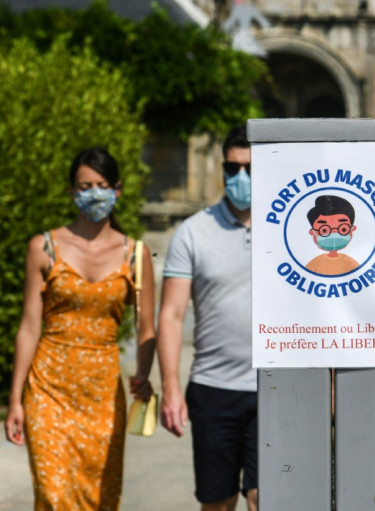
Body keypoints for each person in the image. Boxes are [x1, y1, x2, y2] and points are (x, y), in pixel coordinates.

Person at [4, 147, 156, 509]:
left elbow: (147, 326)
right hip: (47, 389)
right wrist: (15, 399)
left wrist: (143, 374)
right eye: (84, 186)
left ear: (117, 190)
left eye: (101, 185)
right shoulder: (44, 248)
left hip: (102, 392)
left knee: (99, 497)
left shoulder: (135, 255)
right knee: (54, 495)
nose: (93, 193)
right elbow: (29, 327)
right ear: (72, 192)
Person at [157, 124, 258, 511]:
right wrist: (170, 387)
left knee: (265, 498)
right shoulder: (193, 233)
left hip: (274, 386)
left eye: (250, 168)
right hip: (213, 387)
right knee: (218, 503)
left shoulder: (288, 229)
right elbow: (171, 314)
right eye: (232, 169)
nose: (241, 178)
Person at [306, 194, 359, 275]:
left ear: (352, 230)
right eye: (324, 230)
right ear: (312, 233)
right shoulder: (315, 263)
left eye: (343, 229)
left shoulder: (350, 263)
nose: (334, 233)